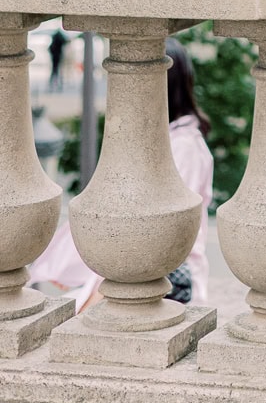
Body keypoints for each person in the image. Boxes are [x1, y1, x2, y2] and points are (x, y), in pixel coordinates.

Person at [29, 37, 214, 310]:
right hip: (139, 261)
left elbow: (165, 225)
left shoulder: (184, 146)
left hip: (166, 272)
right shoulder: (164, 140)